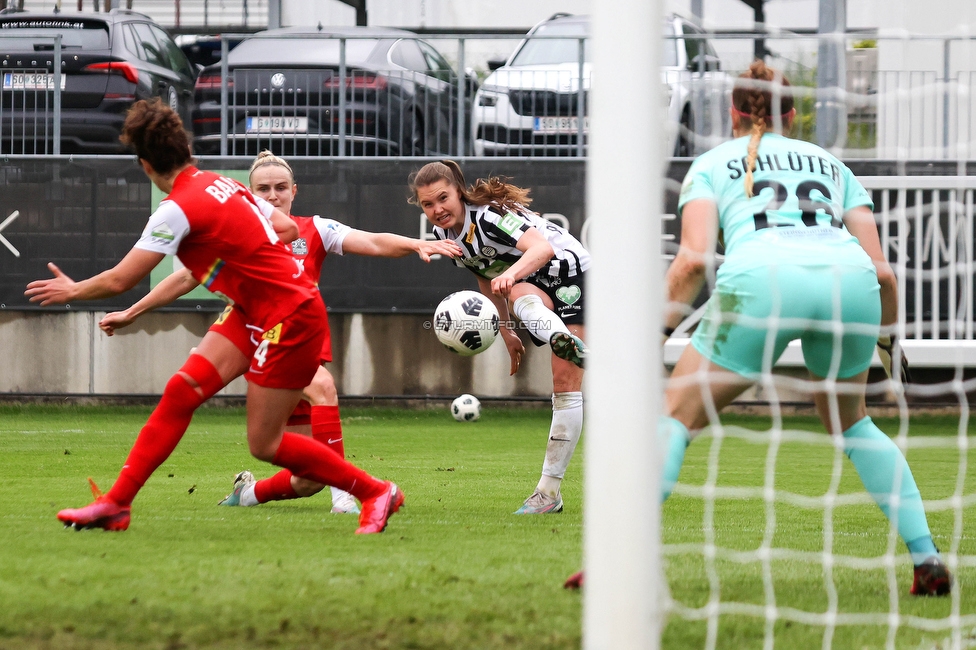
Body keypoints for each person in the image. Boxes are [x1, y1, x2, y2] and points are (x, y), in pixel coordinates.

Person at [26, 99, 404, 535]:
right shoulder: (224, 185)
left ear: (146, 166)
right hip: (256, 312)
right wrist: (242, 265)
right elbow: (286, 229)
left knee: (264, 444)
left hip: (290, 316)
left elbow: (118, 279)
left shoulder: (175, 209)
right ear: (188, 152)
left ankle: (375, 490)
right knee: (182, 390)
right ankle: (116, 504)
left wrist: (74, 289)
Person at [649, 60, 950, 596]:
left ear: (732, 112)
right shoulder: (833, 165)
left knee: (675, 414)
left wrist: (654, 337)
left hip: (764, 280)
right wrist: (888, 339)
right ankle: (925, 556)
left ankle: (619, 561)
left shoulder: (714, 163)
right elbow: (882, 271)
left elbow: (693, 262)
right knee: (853, 425)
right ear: (793, 113)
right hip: (848, 285)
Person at [98, 150, 461, 514]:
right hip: (249, 331)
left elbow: (370, 241)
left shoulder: (313, 229)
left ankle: (250, 493)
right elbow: (186, 276)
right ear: (249, 193)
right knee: (321, 386)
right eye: (264, 189)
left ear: (294, 191)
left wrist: (415, 243)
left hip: (295, 336)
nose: (273, 196)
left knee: (307, 480)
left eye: (281, 188)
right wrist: (134, 310)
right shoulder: (237, 228)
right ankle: (348, 497)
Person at [409, 160, 590, 514]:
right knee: (522, 300)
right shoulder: (444, 236)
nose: (437, 210)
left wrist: (510, 277)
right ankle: (561, 340)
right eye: (427, 204)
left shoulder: (492, 216)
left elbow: (542, 249)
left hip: (572, 271)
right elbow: (485, 276)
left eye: (443, 198)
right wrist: (505, 330)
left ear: (459, 192)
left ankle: (548, 492)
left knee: (566, 385)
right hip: (530, 279)